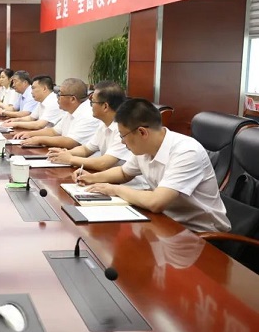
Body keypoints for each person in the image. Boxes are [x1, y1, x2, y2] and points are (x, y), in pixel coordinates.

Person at [76, 98, 231, 233]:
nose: (122, 142)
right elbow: (124, 173)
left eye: (123, 136)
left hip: (200, 234)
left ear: (142, 132)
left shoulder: (187, 152)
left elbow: (156, 202)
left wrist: (114, 189)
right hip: (165, 222)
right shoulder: (145, 148)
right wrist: (91, 178)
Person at [48, 81, 131, 170]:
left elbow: (103, 163)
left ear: (105, 106)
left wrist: (70, 159)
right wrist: (66, 153)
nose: (90, 106)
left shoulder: (124, 129)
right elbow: (86, 149)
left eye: (92, 102)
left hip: (127, 179)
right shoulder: (103, 125)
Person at [14, 78, 100, 149]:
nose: (57, 98)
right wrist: (30, 134)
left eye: (60, 94)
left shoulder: (88, 114)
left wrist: (39, 140)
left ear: (72, 99)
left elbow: (71, 142)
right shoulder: (70, 111)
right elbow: (53, 131)